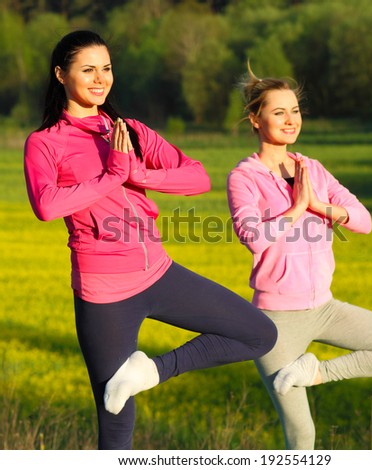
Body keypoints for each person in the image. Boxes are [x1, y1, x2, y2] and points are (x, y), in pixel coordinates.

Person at [23, 31, 277, 450]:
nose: (100, 79)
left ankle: (152, 372)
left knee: (257, 333)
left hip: (159, 273)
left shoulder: (131, 131)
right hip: (104, 293)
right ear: (60, 75)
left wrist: (138, 173)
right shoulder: (45, 142)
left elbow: (196, 176)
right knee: (116, 422)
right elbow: (47, 206)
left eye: (106, 68)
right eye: (88, 69)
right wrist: (110, 177)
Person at [226, 66, 372, 450]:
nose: (291, 120)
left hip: (325, 307)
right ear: (255, 119)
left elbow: (364, 221)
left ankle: (316, 372)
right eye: (279, 112)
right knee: (302, 434)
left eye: (296, 111)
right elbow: (252, 238)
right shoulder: (244, 177)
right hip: (275, 322)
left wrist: (317, 205)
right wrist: (295, 209)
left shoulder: (313, 169)